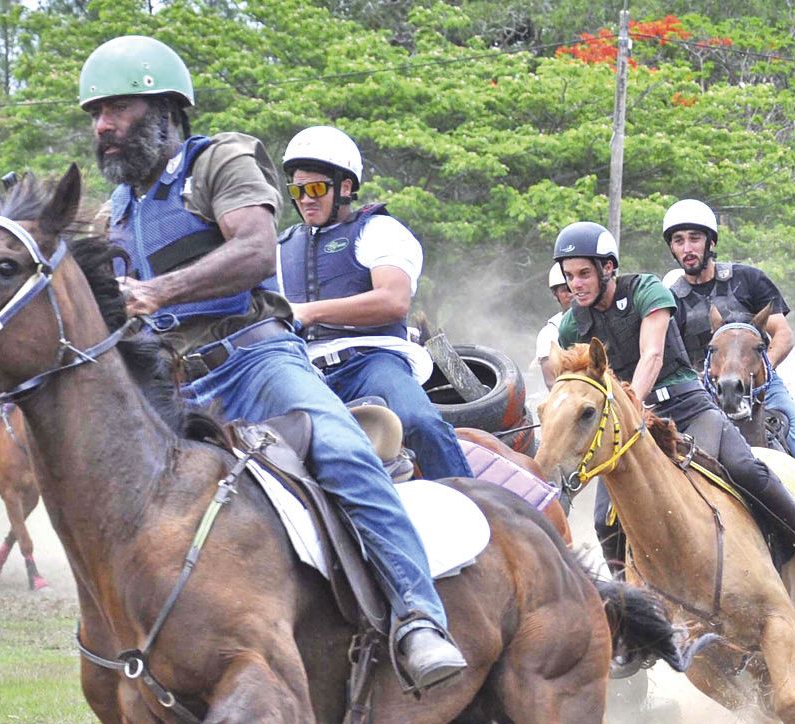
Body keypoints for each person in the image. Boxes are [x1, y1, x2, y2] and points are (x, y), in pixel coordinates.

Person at [80, 35, 463, 689]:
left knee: (342, 450)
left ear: (166, 110)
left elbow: (256, 252)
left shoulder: (221, 162)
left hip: (254, 362)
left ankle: (420, 616)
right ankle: (157, 681)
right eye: (94, 114)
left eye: (116, 108)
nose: (102, 126)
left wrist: (155, 291)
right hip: (171, 387)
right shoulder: (113, 212)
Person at [551, 220, 795, 590]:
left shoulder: (648, 291)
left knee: (746, 468)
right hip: (626, 425)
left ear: (608, 268)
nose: (575, 284)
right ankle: (633, 608)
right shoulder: (570, 327)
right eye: (570, 276)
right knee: (602, 521)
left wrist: (630, 404)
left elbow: (652, 355)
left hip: (687, 408)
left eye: (583, 274)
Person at [659, 199, 795, 539]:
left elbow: (782, 334)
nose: (687, 248)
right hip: (704, 396)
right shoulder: (671, 300)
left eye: (694, 238)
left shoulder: (748, 279)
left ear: (710, 242)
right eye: (679, 240)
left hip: (762, 387)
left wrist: (756, 372)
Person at [275, 126, 471, 481]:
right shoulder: (279, 247)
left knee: (420, 422)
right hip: (302, 371)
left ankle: (472, 511)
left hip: (371, 364)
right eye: (298, 190)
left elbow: (393, 301)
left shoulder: (378, 231)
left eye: (316, 188)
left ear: (345, 187)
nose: (305, 198)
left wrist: (307, 312)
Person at [536, 262, 572, 381]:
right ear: (555, 295)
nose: (572, 293)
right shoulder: (550, 333)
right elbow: (552, 382)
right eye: (566, 290)